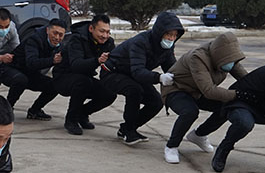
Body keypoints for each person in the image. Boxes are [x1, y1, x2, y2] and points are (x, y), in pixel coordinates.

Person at [160, 32, 248, 163]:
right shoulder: (198, 58)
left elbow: (246, 79)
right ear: (219, 55)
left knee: (226, 106)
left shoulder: (229, 57)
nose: (231, 64)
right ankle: (171, 146)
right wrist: (237, 94)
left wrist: (258, 89)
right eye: (229, 61)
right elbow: (209, 91)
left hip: (197, 91)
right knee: (190, 111)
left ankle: (199, 135)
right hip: (177, 89)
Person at [101, 12, 184, 145]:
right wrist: (159, 77)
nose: (171, 38)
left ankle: (127, 128)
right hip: (112, 73)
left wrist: (184, 79)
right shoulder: (140, 42)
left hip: (132, 74)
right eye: (168, 34)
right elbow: (138, 71)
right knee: (134, 90)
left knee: (156, 102)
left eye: (175, 35)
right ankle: (129, 132)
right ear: (160, 32)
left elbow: (172, 68)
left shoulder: (167, 47)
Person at [52, 14, 117, 135]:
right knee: (83, 82)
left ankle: (83, 113)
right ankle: (71, 120)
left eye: (108, 32)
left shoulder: (108, 42)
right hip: (63, 78)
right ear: (91, 28)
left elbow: (114, 63)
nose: (105, 35)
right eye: (102, 31)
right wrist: (97, 60)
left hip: (85, 77)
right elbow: (76, 65)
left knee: (110, 92)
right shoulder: (77, 39)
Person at [0, 18, 65, 120]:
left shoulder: (60, 47)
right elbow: (32, 63)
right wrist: (52, 60)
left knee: (56, 85)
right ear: (47, 30)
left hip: (30, 73)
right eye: (55, 33)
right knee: (21, 79)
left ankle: (35, 111)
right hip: (10, 70)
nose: (57, 37)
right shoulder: (34, 39)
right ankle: (7, 108)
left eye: (60, 35)